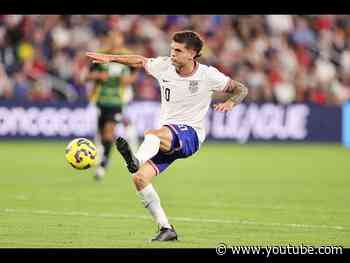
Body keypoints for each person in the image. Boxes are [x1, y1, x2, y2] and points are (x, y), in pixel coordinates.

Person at [86, 31, 248, 241]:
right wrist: (111, 58)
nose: (172, 54)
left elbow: (241, 88)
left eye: (178, 51)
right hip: (168, 138)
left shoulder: (208, 75)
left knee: (152, 134)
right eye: (172, 49)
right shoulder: (164, 66)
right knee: (140, 178)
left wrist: (231, 102)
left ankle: (137, 159)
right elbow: (140, 60)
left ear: (192, 53)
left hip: (190, 135)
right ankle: (166, 228)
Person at [87, 31, 138, 181]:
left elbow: (136, 70)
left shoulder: (127, 56)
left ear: (121, 39)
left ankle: (103, 165)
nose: (115, 40)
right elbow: (87, 76)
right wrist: (97, 76)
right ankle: (101, 154)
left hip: (118, 101)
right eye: (112, 37)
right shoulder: (101, 56)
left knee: (110, 132)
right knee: (101, 134)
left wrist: (128, 80)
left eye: (118, 37)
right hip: (100, 101)